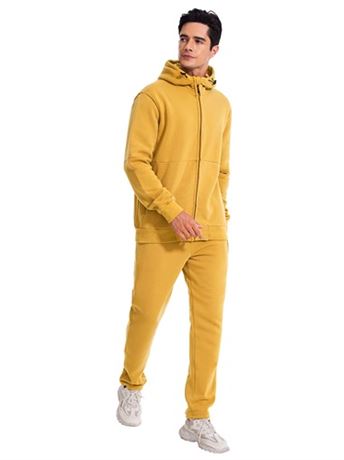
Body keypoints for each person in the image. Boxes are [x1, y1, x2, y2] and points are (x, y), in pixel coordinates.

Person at [116, 8, 232, 454]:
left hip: (210, 234)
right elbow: (135, 163)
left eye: (198, 40)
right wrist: (172, 211)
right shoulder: (152, 97)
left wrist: (220, 212)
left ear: (214, 49)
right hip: (162, 228)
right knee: (145, 313)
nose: (188, 46)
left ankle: (197, 417)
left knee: (209, 326)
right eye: (184, 37)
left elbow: (222, 168)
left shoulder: (222, 105)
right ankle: (131, 384)